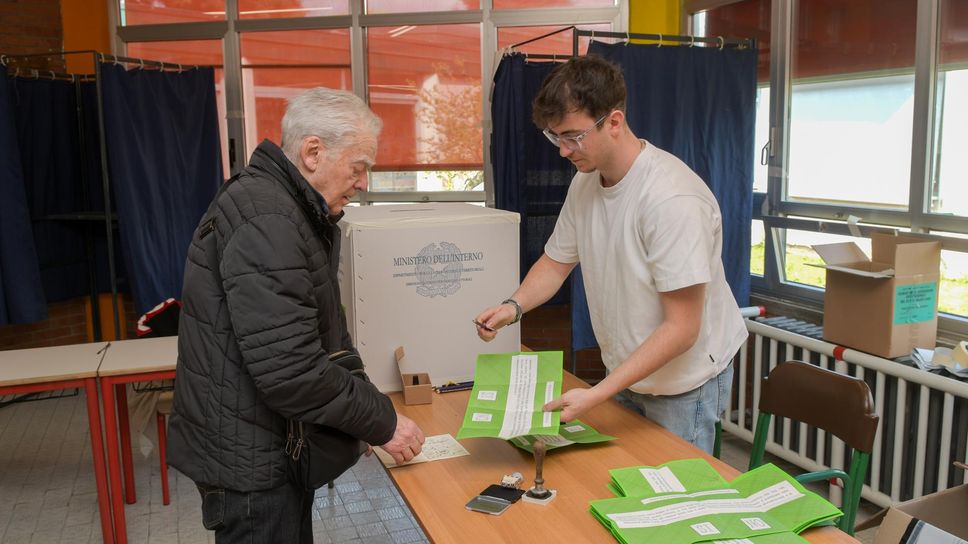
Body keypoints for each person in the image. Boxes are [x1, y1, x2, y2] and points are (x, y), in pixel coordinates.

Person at [167, 88, 425, 543]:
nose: (363, 181)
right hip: (250, 461)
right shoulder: (268, 217)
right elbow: (291, 370)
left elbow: (325, 335)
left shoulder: (284, 207)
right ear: (312, 152)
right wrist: (381, 421)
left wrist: (357, 411)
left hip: (260, 443)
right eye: (359, 166)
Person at [474, 56, 747, 454]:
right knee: (624, 484)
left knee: (675, 497)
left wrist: (597, 393)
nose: (564, 151)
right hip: (625, 372)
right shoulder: (585, 183)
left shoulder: (672, 199)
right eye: (555, 138)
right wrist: (512, 307)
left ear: (614, 122)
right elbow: (555, 263)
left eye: (572, 136)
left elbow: (682, 329)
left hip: (682, 383)